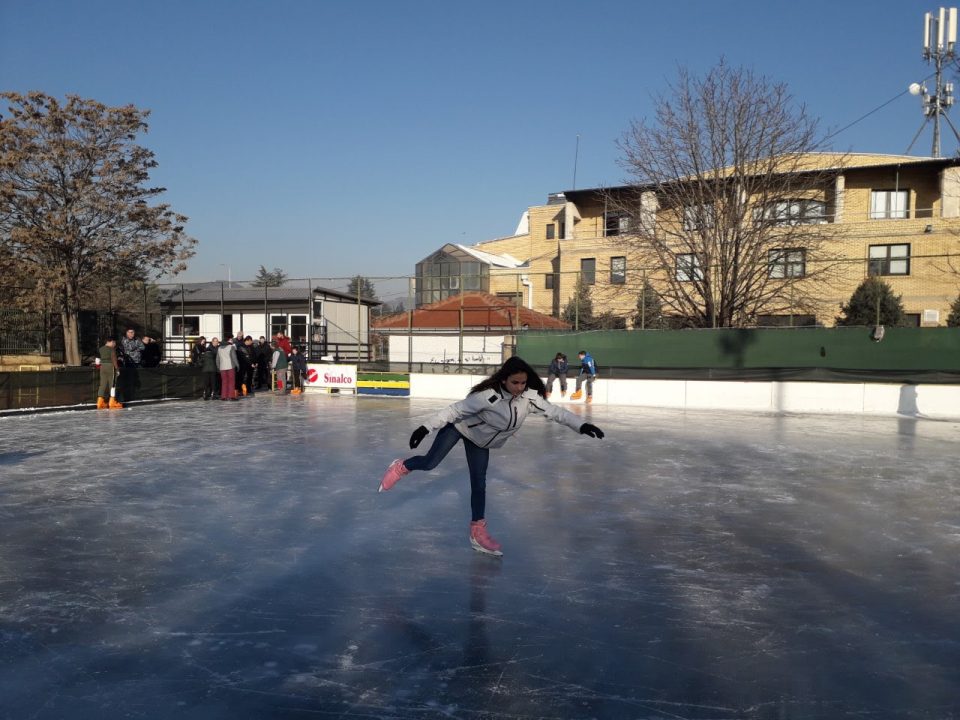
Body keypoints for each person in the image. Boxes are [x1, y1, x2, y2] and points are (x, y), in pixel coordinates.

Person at [378, 356, 605, 556]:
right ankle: (402, 466)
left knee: (479, 484)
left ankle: (477, 531)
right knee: (430, 463)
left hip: (480, 441)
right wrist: (424, 428)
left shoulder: (529, 398)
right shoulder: (488, 397)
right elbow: (454, 411)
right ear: (504, 379)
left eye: (523, 382)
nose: (519, 387)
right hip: (460, 428)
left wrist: (581, 425)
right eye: (515, 382)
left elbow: (556, 412)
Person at [96, 337, 123, 410]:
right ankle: (112, 402)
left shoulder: (100, 349)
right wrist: (117, 369)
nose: (114, 344)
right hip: (110, 366)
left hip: (102, 367)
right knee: (113, 384)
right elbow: (114, 359)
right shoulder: (112, 349)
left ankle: (99, 402)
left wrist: (99, 366)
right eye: (114, 343)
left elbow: (97, 360)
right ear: (110, 342)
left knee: (102, 384)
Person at [217, 334, 239, 401]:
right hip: (230, 366)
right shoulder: (231, 347)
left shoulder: (219, 348)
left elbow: (217, 359)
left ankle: (223, 396)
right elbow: (234, 358)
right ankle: (231, 396)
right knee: (231, 381)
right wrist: (237, 365)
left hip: (222, 367)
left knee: (224, 382)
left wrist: (218, 367)